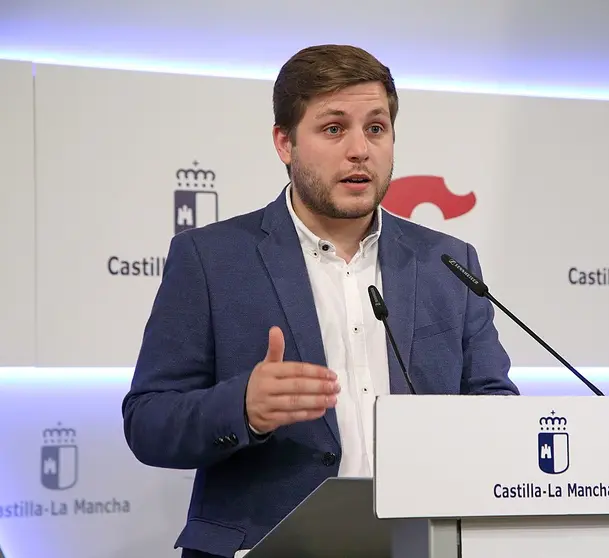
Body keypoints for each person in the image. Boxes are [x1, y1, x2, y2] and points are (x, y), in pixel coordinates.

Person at [122, 44, 519, 558]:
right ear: (284, 143)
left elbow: (495, 403)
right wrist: (242, 408)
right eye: (334, 129)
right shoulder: (210, 259)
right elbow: (148, 421)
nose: (360, 150)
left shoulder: (446, 261)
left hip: (420, 544)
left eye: (376, 128)